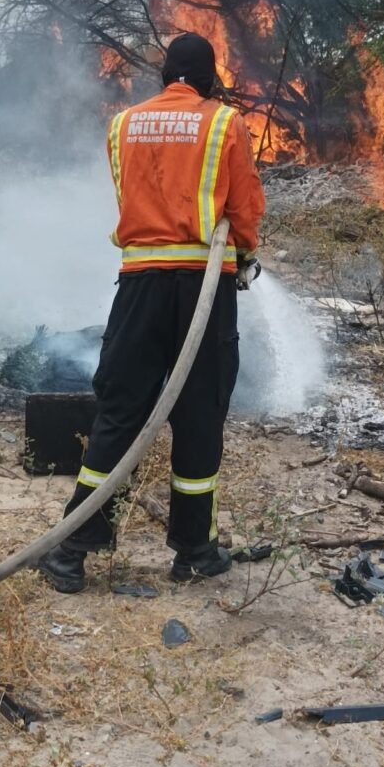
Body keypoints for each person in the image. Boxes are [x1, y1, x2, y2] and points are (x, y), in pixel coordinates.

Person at [37, 32, 265, 593]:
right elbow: (244, 209)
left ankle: (71, 553)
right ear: (209, 79)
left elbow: (132, 196)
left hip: (138, 287)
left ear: (165, 76)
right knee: (199, 415)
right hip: (202, 290)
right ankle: (194, 551)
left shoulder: (122, 125)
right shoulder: (223, 123)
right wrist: (246, 254)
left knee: (119, 414)